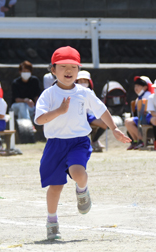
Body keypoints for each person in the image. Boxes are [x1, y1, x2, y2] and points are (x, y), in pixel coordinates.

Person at [34, 46, 131, 240]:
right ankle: (52, 221)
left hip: (78, 142)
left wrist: (114, 128)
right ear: (53, 70)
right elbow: (39, 120)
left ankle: (82, 189)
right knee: (55, 187)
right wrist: (59, 111)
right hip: (55, 144)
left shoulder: (84, 92)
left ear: (79, 70)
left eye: (73, 66)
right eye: (63, 66)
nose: (68, 70)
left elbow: (102, 110)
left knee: (78, 172)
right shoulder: (48, 95)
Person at [76, 70, 108, 152]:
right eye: (80, 81)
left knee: (105, 123)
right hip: (78, 116)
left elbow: (96, 107)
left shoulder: (91, 92)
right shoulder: (74, 92)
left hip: (89, 116)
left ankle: (94, 141)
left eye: (85, 81)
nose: (83, 83)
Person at [124, 76, 152, 150]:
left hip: (147, 118)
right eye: (135, 86)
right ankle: (136, 141)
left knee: (128, 122)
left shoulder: (148, 95)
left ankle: (143, 140)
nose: (136, 88)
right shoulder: (139, 97)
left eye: (139, 85)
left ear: (145, 87)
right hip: (142, 118)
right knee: (128, 121)